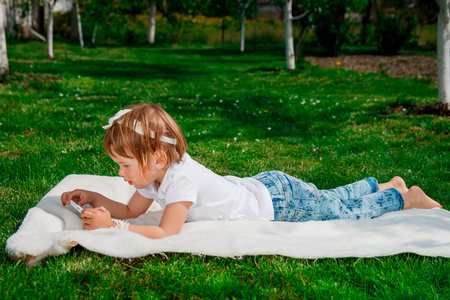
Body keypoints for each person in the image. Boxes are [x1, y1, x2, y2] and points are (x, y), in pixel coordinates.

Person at [61, 103, 442, 239]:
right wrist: (93, 198)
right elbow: (131, 209)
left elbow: (164, 231)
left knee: (338, 212)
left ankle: (404, 198)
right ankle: (382, 183)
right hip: (264, 187)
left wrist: (113, 228)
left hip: (278, 204)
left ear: (157, 157)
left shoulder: (179, 181)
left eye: (126, 166)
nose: (124, 175)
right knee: (327, 199)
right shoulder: (158, 173)